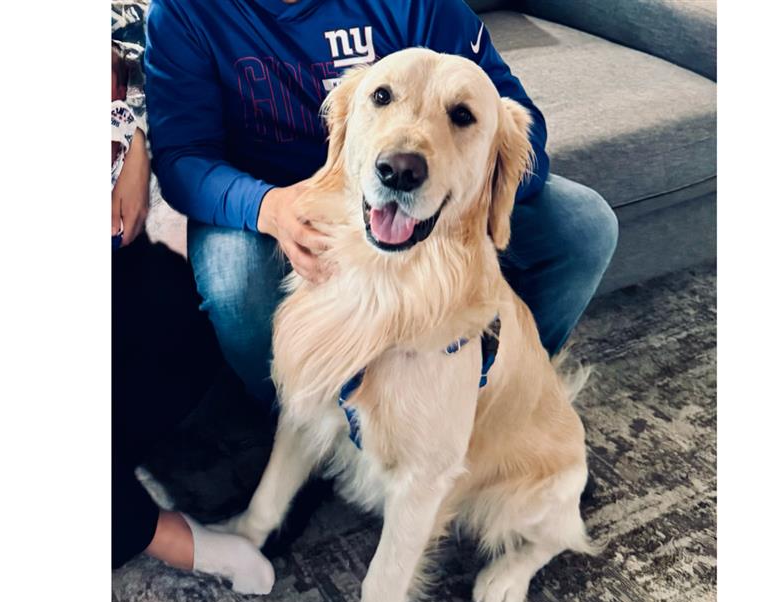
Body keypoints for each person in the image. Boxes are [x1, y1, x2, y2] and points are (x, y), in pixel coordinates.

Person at [143, 0, 619, 408]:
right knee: (236, 285)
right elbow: (184, 158)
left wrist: (459, 206)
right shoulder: (182, 12)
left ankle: (490, 389)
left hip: (425, 185)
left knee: (584, 227)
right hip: (271, 195)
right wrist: (267, 207)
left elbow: (516, 124)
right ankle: (297, 419)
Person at [111, 45, 274, 594]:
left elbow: (126, 62)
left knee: (184, 326)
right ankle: (160, 533)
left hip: (128, 275)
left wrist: (128, 132)